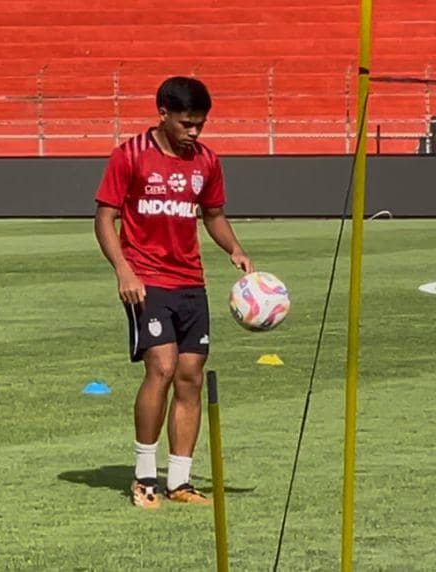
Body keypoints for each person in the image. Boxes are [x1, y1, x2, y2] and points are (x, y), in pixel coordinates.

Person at [94, 76, 253, 509]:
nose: (194, 132)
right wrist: (123, 270)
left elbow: (213, 214)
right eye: (187, 123)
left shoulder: (207, 161)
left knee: (191, 376)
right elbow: (104, 219)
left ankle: (179, 481)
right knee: (160, 369)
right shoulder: (129, 156)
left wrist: (234, 248)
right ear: (163, 114)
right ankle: (145, 477)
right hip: (147, 280)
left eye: (200, 124)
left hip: (190, 282)